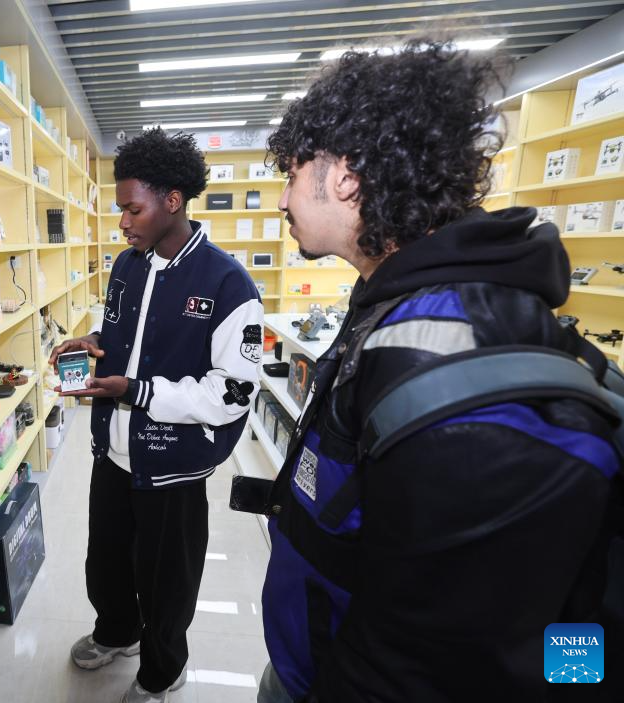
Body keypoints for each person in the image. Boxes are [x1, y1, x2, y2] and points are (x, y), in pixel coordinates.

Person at [257, 40, 622, 702]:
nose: (282, 198)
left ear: (346, 175)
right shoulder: (398, 304)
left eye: (292, 173)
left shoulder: (458, 370)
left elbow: (433, 659)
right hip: (312, 656)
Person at [49, 128, 264, 703]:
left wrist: (138, 392)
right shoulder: (127, 265)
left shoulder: (227, 283)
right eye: (120, 209)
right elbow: (122, 336)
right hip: (113, 451)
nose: (123, 222)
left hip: (174, 465)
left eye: (133, 209)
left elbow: (233, 392)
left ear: (173, 200)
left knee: (167, 579)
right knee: (106, 559)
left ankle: (163, 670)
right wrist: (91, 342)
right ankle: (118, 631)